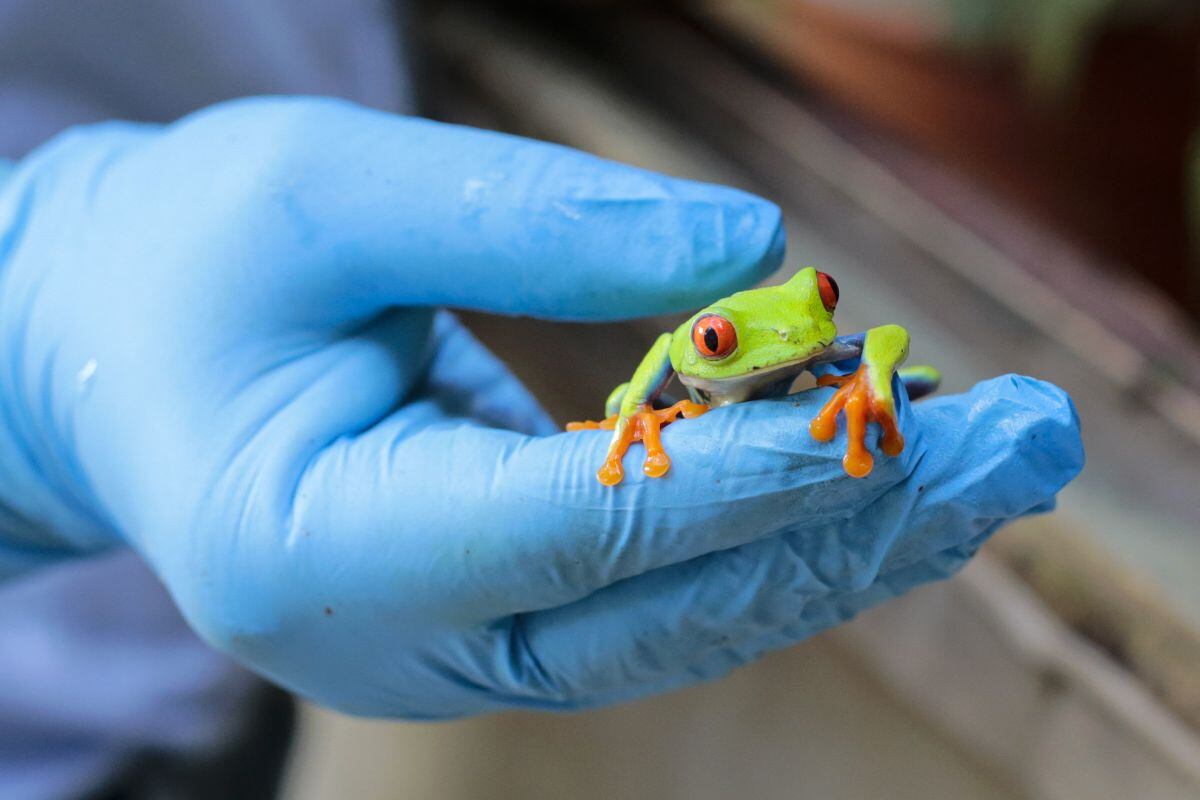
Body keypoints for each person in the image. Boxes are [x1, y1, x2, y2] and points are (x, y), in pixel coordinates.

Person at [0, 1, 1084, 797]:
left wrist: (868, 378)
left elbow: (861, 340)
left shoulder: (800, 324)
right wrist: (25, 366)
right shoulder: (686, 356)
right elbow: (653, 375)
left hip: (205, 708)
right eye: (712, 332)